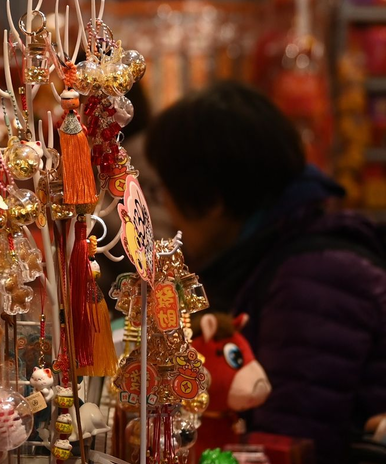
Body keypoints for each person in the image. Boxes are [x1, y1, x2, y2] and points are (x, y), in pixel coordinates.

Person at [145, 81, 386, 459]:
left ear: (211, 200)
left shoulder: (312, 279)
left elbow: (287, 445)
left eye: (165, 192)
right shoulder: (276, 256)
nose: (168, 211)